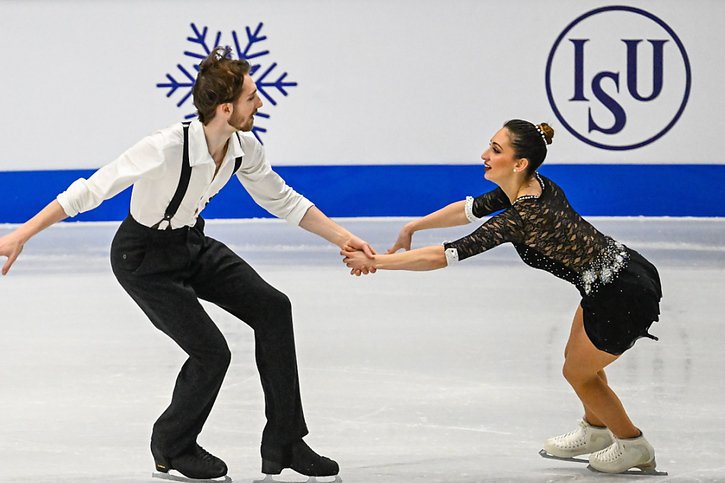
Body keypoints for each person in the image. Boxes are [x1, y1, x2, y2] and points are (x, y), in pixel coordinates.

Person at [0, 46, 374, 481]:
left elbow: (283, 200)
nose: (261, 104)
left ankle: (285, 442)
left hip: (191, 245)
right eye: (253, 97)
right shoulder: (163, 147)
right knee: (211, 353)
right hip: (141, 259)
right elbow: (88, 192)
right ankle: (172, 445)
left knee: (273, 308)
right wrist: (21, 235)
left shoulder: (243, 147)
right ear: (226, 107)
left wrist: (346, 239)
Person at [341, 119, 664, 475]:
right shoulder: (529, 185)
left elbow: (445, 254)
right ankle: (596, 430)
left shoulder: (524, 214)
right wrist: (410, 228)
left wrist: (377, 262)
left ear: (519, 163)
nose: (484, 155)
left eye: (495, 150)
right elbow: (468, 210)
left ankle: (633, 444)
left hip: (622, 294)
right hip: (611, 277)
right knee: (578, 362)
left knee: (579, 373)